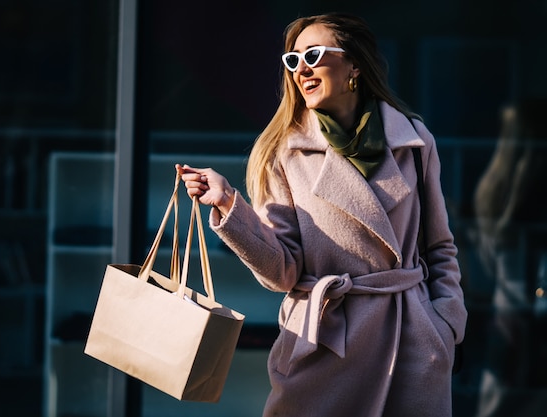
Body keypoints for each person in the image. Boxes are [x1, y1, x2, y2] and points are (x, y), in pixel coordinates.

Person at [177, 12, 467, 417]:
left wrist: (445, 324)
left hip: (411, 347)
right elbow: (283, 273)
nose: (301, 69)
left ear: (354, 65)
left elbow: (439, 247)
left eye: (312, 54)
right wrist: (229, 207)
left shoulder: (414, 142)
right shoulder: (283, 152)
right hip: (327, 348)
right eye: (292, 61)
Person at [473, 99, 547, 416]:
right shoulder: (535, 192)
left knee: (499, 403)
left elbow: (488, 263)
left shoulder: (492, 189)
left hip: (506, 314)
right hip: (532, 318)